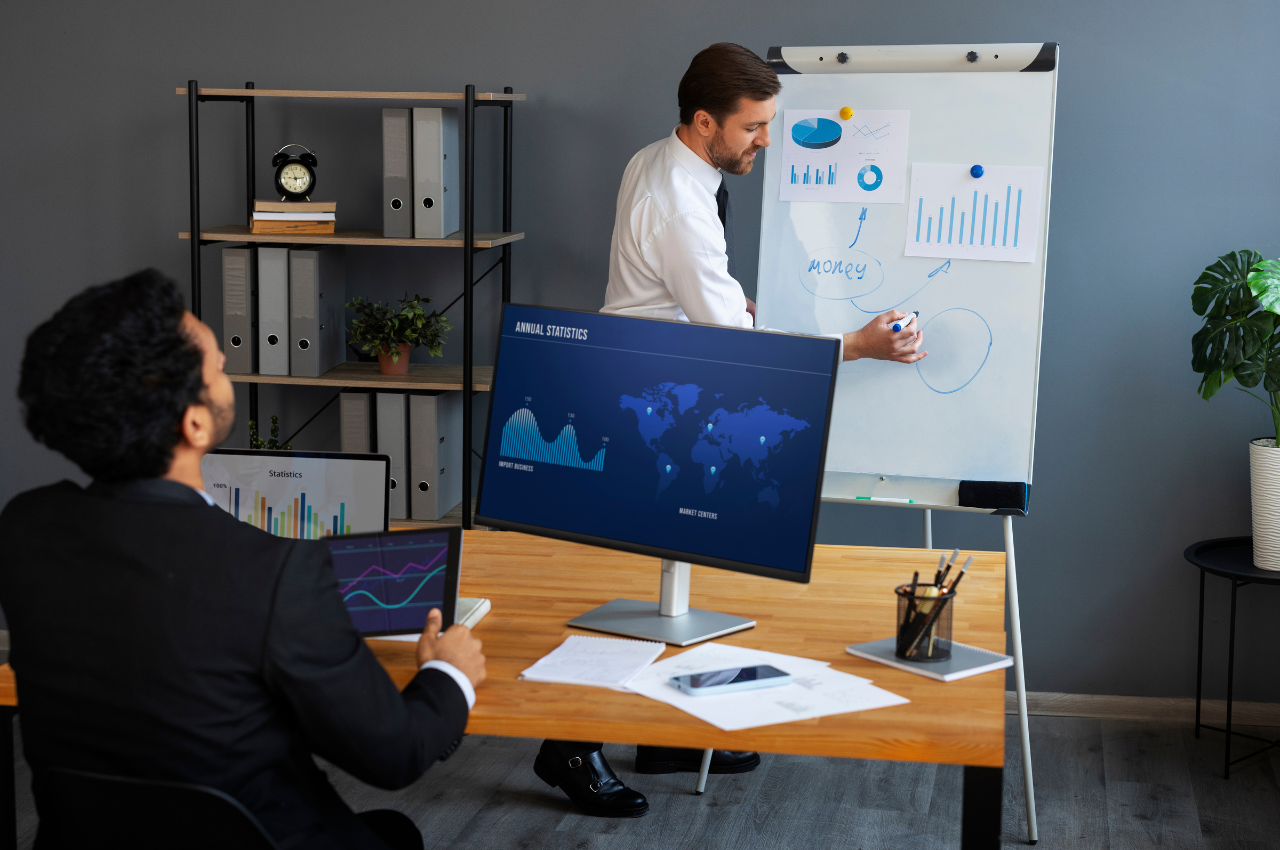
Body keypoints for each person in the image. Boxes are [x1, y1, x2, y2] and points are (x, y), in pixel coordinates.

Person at [534, 43, 928, 818]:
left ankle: (661, 732)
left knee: (674, 571)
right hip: (658, 397)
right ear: (705, 120)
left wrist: (707, 301)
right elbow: (735, 350)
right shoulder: (682, 202)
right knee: (641, 588)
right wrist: (856, 344)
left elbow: (682, 292)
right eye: (753, 128)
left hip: (657, 375)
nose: (767, 141)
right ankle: (566, 747)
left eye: (770, 124)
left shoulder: (657, 158)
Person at [0, 270, 487, 850]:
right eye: (214, 360)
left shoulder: (26, 528)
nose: (228, 354)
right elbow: (394, 755)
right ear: (195, 422)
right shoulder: (272, 573)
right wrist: (448, 671)